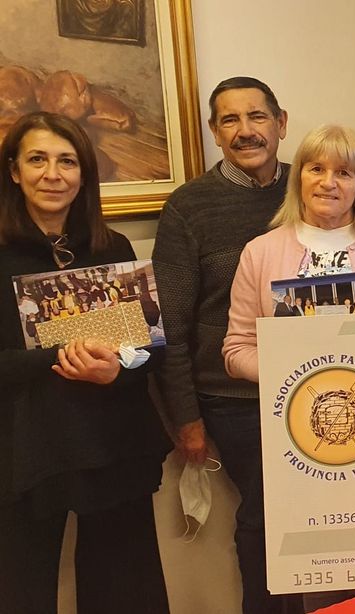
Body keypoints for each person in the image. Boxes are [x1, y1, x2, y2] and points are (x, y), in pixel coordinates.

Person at [0, 112, 171, 613]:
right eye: (37, 159)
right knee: (20, 592)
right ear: (14, 171)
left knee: (126, 591)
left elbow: (149, 349)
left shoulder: (112, 247)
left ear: (84, 174)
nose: (52, 174)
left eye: (67, 161)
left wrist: (119, 369)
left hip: (112, 442)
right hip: (23, 452)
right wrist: (57, 357)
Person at [151, 76, 301, 614]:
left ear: (281, 123)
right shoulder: (188, 207)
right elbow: (170, 325)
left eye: (257, 116)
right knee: (266, 516)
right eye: (230, 120)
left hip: (320, 386)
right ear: (215, 133)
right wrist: (185, 419)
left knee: (326, 516)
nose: (245, 131)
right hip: (235, 400)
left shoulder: (315, 186)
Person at [223, 124, 355, 383]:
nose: (328, 183)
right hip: (294, 401)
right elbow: (238, 349)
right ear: (299, 177)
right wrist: (295, 374)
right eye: (316, 169)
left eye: (343, 173)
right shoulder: (259, 253)